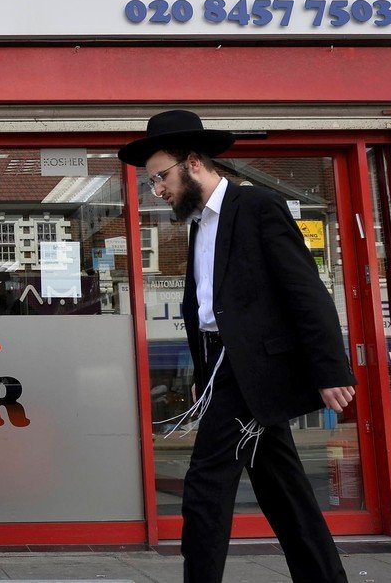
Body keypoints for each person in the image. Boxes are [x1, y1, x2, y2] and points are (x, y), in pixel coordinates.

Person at [119, 110, 357, 583]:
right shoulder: (198, 224)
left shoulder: (258, 207)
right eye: (152, 183)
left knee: (206, 487)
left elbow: (306, 292)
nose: (158, 190)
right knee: (283, 490)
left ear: (193, 162)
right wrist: (202, 379)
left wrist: (331, 370)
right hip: (223, 370)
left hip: (253, 371)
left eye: (161, 177)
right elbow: (210, 310)